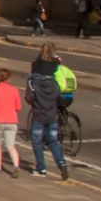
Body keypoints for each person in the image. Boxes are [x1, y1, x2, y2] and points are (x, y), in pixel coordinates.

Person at [24, 43, 70, 180]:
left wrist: (34, 101)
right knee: (53, 141)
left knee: (37, 141)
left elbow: (29, 97)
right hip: (51, 115)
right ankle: (61, 163)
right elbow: (57, 96)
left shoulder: (33, 81)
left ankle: (41, 168)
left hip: (38, 115)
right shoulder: (54, 82)